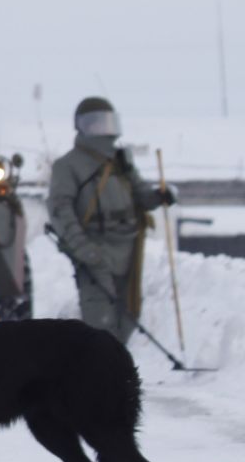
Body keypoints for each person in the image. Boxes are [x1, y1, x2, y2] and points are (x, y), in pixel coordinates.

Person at [47, 96, 172, 344]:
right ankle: (98, 374)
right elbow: (61, 210)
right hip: (95, 248)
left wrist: (160, 196)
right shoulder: (68, 165)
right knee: (100, 318)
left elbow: (141, 195)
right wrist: (84, 249)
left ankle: (116, 368)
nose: (103, 130)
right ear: (81, 126)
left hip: (128, 249)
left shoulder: (121, 162)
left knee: (129, 315)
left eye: (107, 123)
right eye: (95, 124)